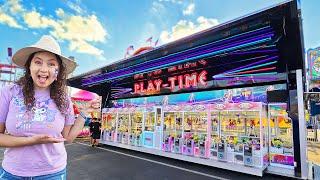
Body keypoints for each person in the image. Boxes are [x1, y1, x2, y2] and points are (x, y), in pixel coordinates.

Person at [0, 35, 87, 179]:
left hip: (52, 173)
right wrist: (30, 141)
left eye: (51, 64)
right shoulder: (8, 92)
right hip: (13, 173)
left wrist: (84, 114)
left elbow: (68, 138)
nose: (44, 69)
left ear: (58, 71)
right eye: (38, 62)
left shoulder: (64, 98)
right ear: (29, 66)